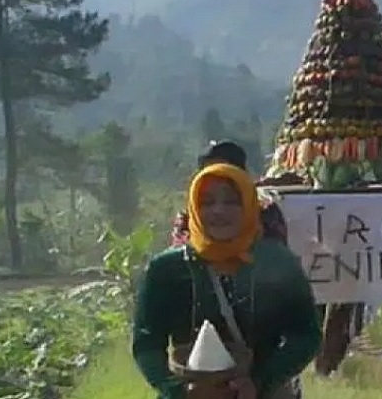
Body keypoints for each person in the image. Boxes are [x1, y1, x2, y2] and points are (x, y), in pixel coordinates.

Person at [134, 160, 321, 399]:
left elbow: (305, 334)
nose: (218, 210)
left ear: (250, 205)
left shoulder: (279, 262)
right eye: (207, 202)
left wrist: (260, 382)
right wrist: (178, 391)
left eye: (232, 201)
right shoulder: (166, 269)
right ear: (193, 208)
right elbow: (147, 342)